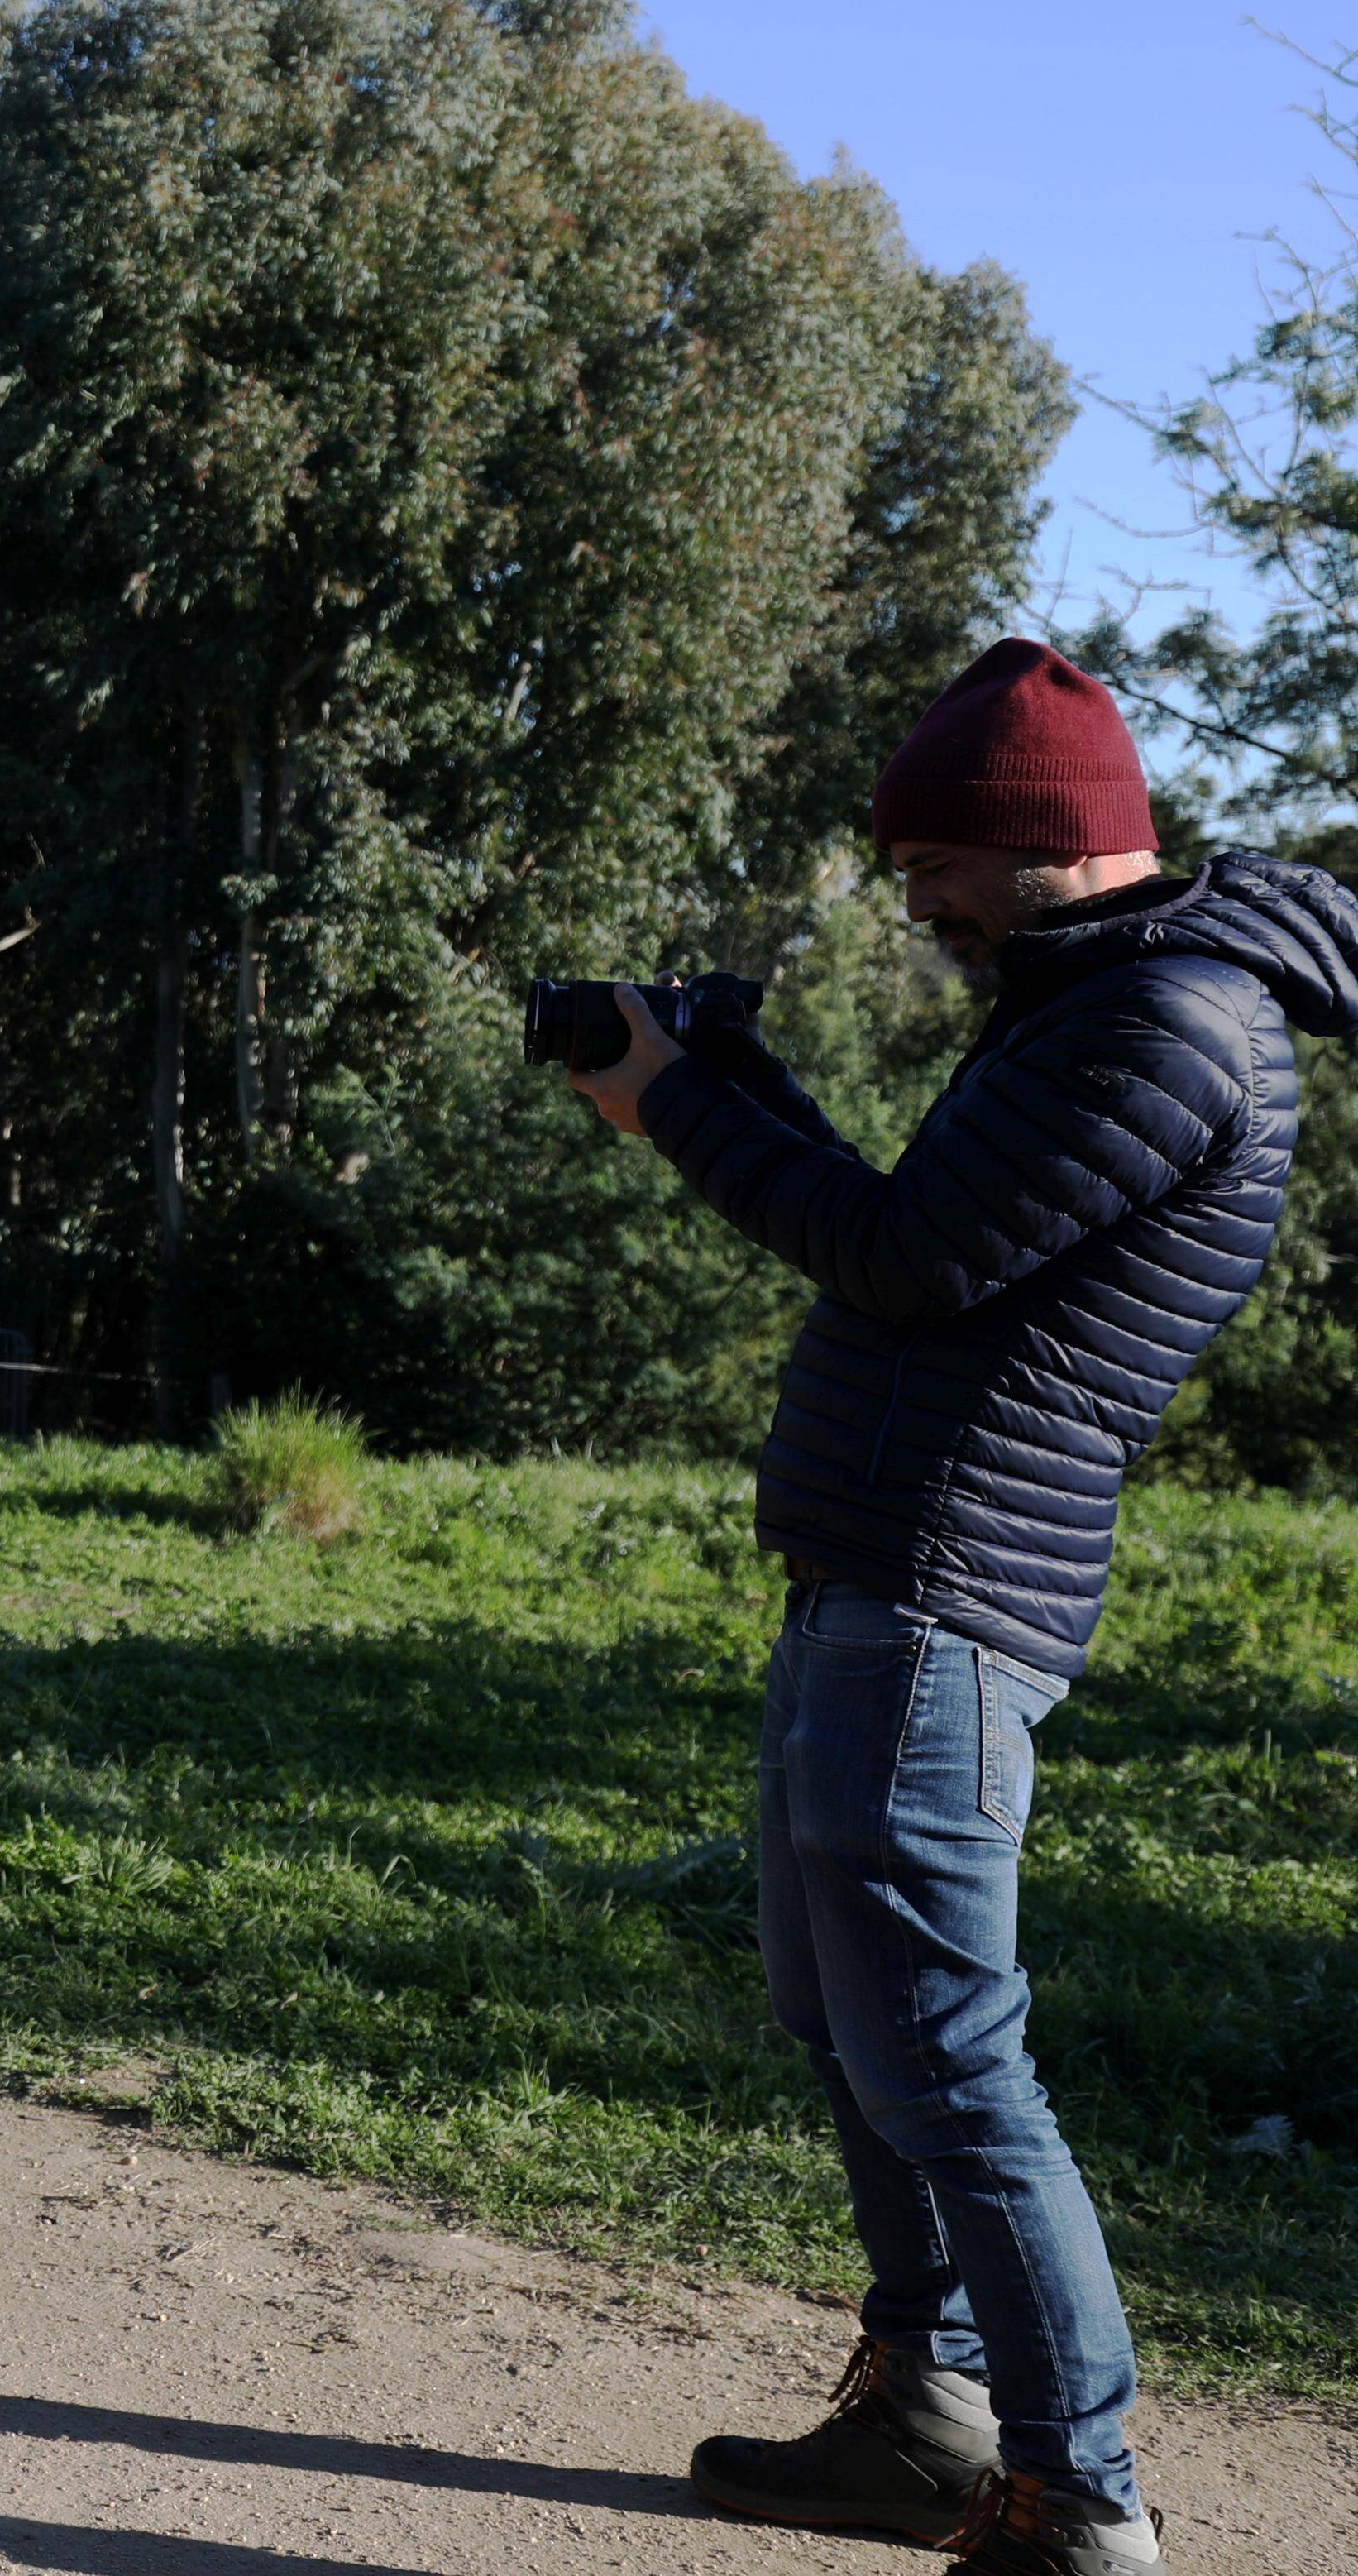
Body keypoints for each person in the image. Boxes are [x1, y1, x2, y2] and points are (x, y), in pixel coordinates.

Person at [571, 639, 1357, 2576]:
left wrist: (674, 1109)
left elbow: (902, 1264)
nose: (908, 895)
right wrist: (729, 1081)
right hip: (874, 1588)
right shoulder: (1078, 1003)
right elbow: (923, 1243)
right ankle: (922, 2420)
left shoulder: (1165, 1026)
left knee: (940, 2052)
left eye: (929, 858)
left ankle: (1077, 2493)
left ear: (1042, 844)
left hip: (939, 1608)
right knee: (845, 2027)